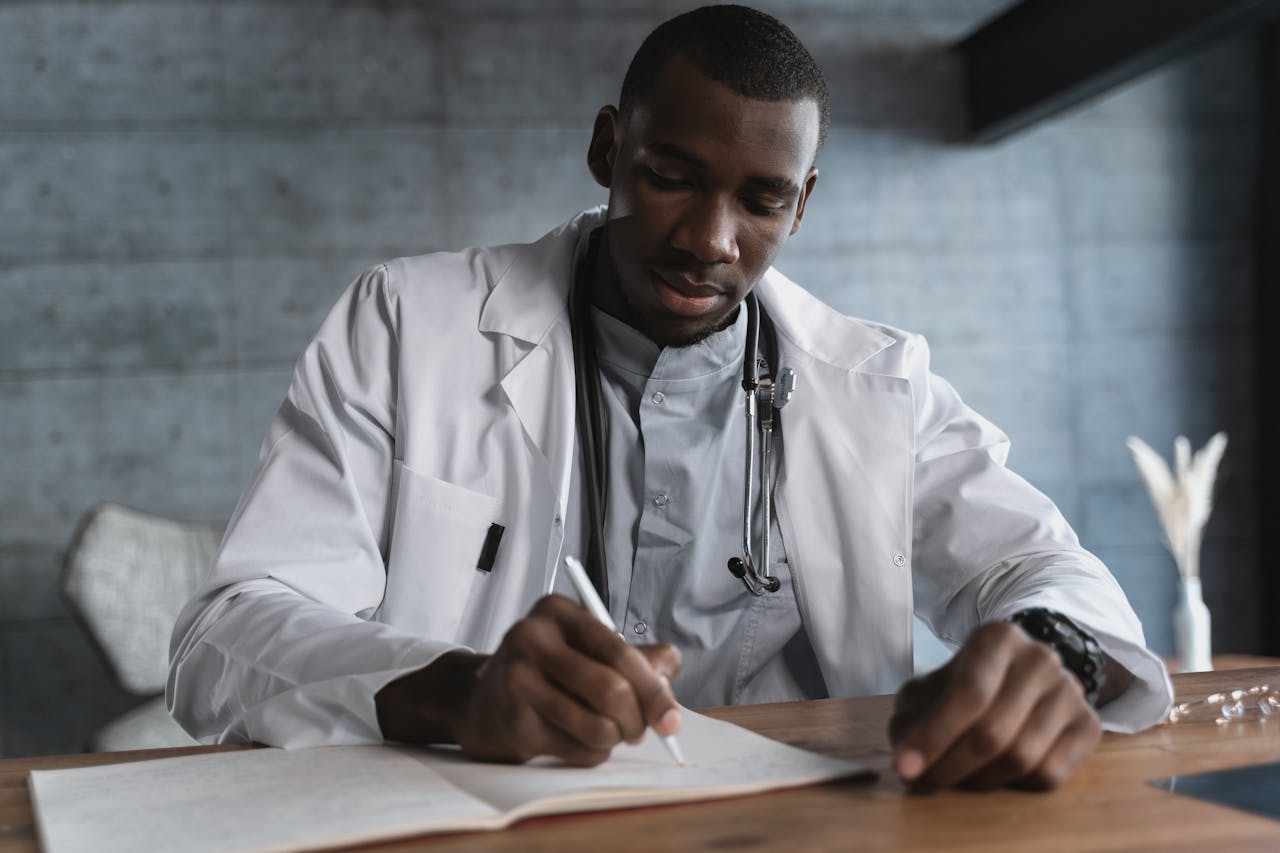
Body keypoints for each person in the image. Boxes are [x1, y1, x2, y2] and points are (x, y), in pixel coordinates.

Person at [168, 5, 1172, 790]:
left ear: (802, 200)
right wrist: (452, 688)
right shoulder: (405, 324)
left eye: (759, 199)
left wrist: (1050, 650)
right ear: (609, 149)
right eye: (670, 176)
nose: (709, 239)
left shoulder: (874, 381)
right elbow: (227, 635)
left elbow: (1043, 565)